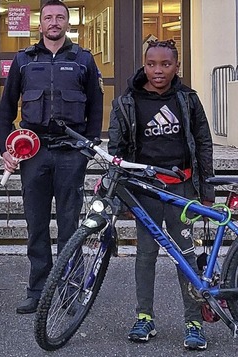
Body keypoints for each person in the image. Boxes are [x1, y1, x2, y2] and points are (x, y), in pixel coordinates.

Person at [0, 0, 103, 315]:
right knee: (37, 225)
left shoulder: (83, 59)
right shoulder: (24, 61)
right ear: (39, 24)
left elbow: (96, 105)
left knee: (70, 225)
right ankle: (38, 291)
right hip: (34, 153)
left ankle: (71, 291)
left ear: (67, 23)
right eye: (48, 18)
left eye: (59, 17)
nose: (54, 22)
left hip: (71, 154)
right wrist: (6, 146)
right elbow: (7, 107)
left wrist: (89, 146)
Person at [108, 39, 214, 350]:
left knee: (185, 255)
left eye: (165, 64)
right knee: (146, 254)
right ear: (144, 64)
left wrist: (206, 190)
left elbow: (203, 143)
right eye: (152, 64)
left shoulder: (188, 99)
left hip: (181, 188)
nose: (158, 70)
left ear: (176, 67)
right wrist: (123, 195)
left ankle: (194, 322)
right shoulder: (127, 102)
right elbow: (118, 151)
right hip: (146, 189)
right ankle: (144, 317)